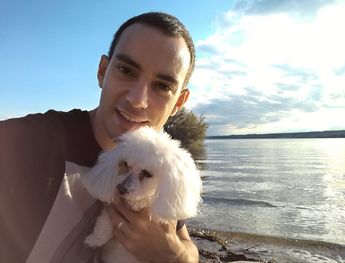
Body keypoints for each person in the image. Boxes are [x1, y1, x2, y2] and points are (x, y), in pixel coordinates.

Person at [0, 12, 199, 263]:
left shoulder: (160, 167)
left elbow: (187, 247)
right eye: (126, 70)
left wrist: (173, 255)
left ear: (178, 102)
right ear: (103, 71)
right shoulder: (30, 142)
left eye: (162, 86)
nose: (137, 100)